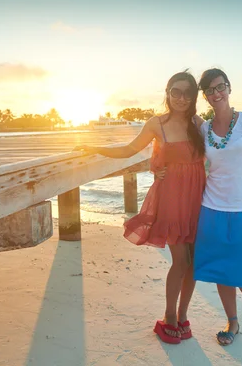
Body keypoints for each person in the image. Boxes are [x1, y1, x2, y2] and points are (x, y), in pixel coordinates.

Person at [74, 71, 206, 344]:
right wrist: (94, 148)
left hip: (198, 199)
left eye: (187, 93)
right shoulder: (156, 123)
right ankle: (169, 317)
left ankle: (183, 316)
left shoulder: (198, 122)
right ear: (167, 93)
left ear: (194, 96)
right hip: (171, 198)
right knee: (181, 260)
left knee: (195, 262)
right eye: (176, 92)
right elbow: (128, 150)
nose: (181, 98)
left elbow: (224, 144)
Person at [193, 68, 242, 346]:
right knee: (221, 267)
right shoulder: (203, 128)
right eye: (210, 90)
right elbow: (177, 114)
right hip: (212, 207)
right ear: (204, 96)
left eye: (220, 87)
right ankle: (232, 321)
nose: (217, 93)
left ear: (229, 87)